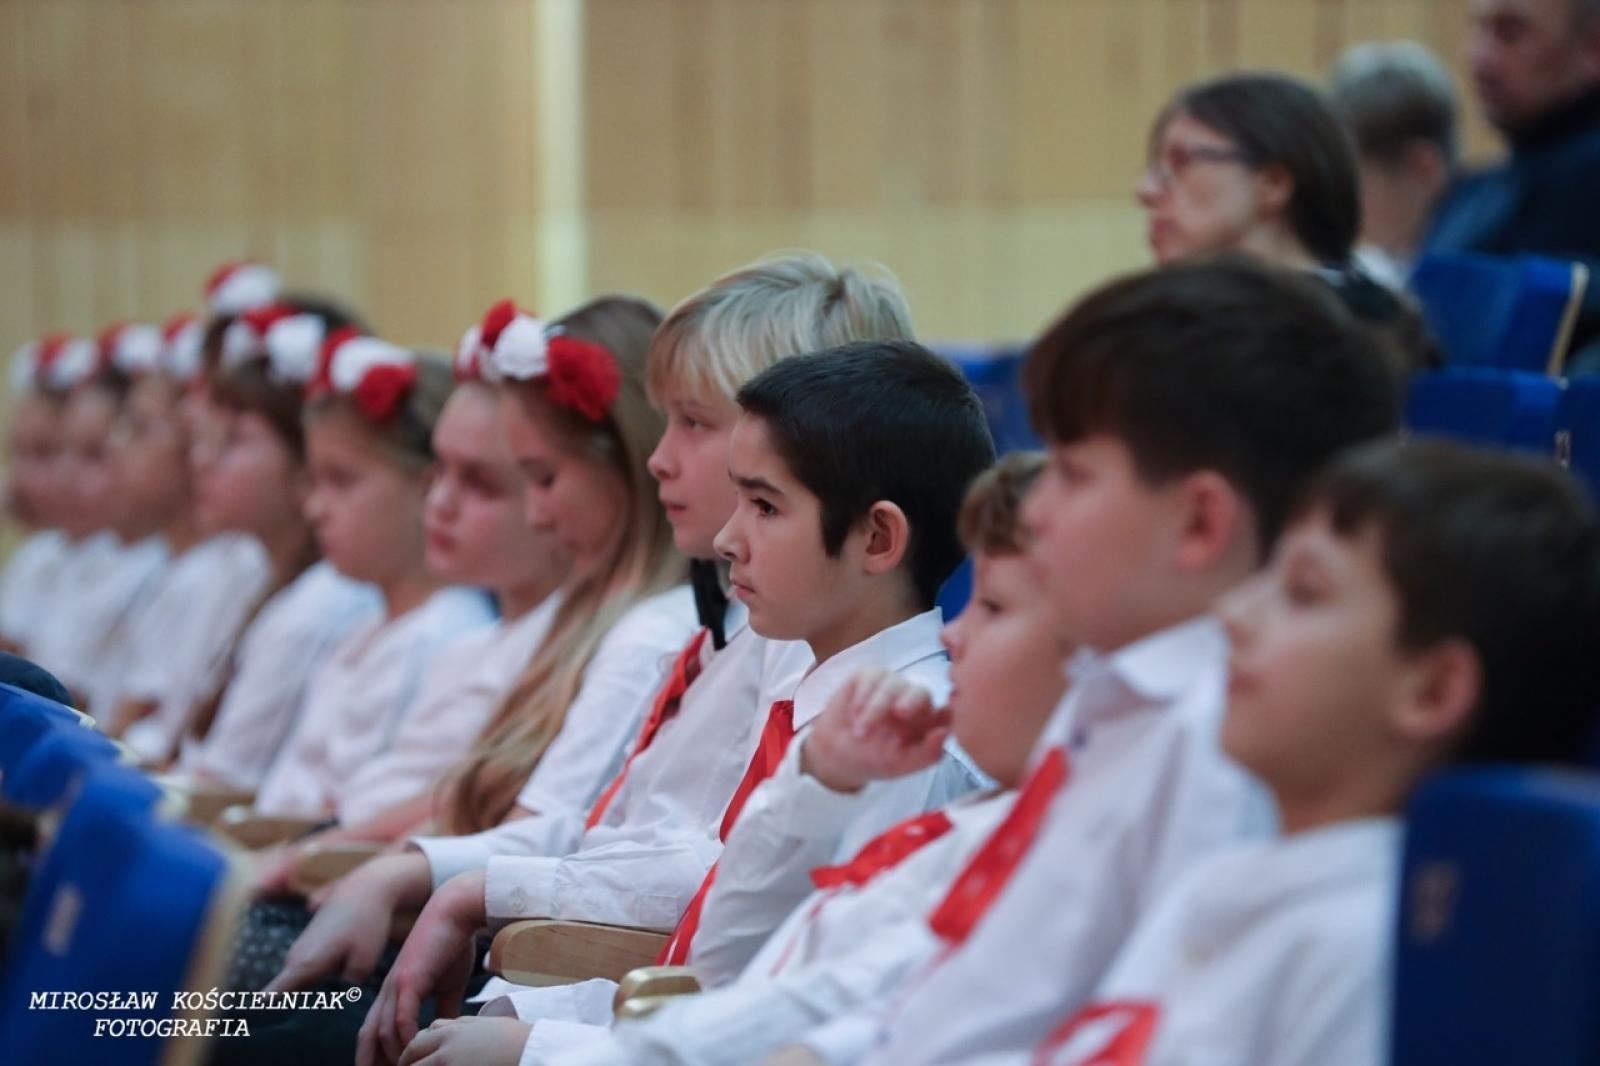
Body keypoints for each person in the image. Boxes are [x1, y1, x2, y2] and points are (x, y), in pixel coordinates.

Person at [823, 255, 1401, 1066]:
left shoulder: (1220, 739)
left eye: (1073, 474)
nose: (1042, 510)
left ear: (1200, 524)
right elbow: (971, 998)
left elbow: (1104, 1033)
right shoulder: (1114, 703)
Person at [355, 337, 995, 1066]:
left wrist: (535, 1047)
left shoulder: (901, 742)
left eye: (763, 505)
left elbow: (777, 1010)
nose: (727, 539)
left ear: (876, 537)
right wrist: (523, 1021)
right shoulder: (823, 719)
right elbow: (717, 964)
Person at [412, 455, 1068, 1066]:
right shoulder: (883, 743)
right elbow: (738, 965)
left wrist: (547, 1050)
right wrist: (817, 787)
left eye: (762, 501)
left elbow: (807, 1013)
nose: (956, 632)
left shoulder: (923, 752)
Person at [1019, 439, 1600, 1066]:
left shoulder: (1366, 949)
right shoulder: (1222, 881)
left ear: (1432, 691)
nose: (1233, 611)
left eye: (1302, 591)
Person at [1138, 71, 1436, 372]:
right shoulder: (1201, 322)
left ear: (1274, 183)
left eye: (1181, 161)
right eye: (1156, 169)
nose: (1146, 191)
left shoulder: (1342, 333)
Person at [1426, 0, 1600, 368]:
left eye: (1511, 32)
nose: (1479, 57)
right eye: (1479, 29)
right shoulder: (1474, 191)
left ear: (1593, 48)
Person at [1328, 41, 1460, 288]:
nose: (1345, 210)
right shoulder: (1376, 266)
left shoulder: (1473, 283)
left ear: (1423, 169)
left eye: (1355, 186)